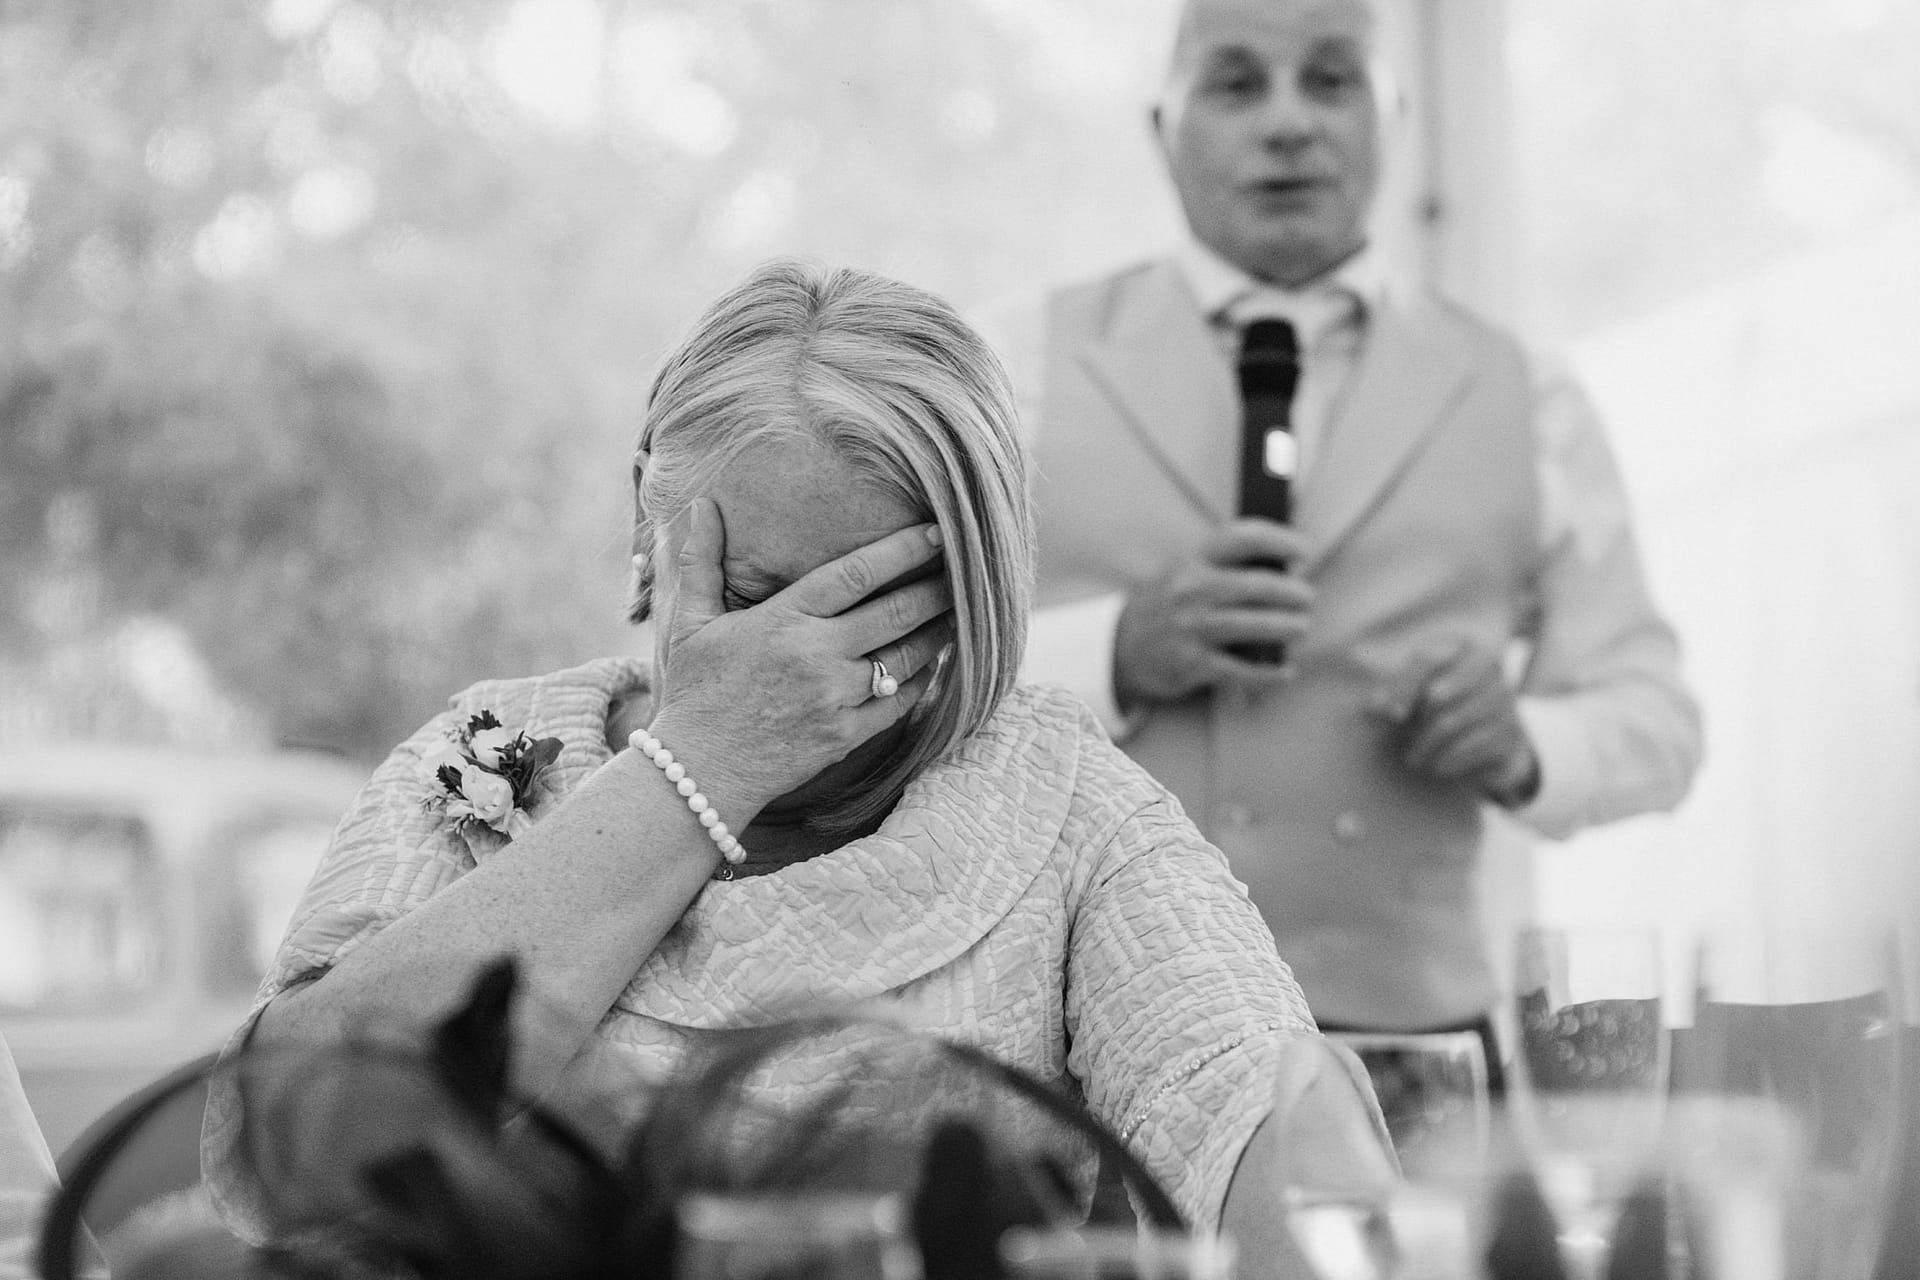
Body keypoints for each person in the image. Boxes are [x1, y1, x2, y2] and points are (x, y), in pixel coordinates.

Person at [202, 260, 1390, 1270]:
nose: (811, 673)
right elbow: (276, 1157)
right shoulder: (483, 757)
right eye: (759, 598)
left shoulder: (1065, 808)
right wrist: (707, 759)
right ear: (642, 517)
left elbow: (1257, 1106)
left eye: (880, 618)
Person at [993, 0, 1702, 1073]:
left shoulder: (1529, 394)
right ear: (1161, 127)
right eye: (1236, 83)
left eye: (1330, 79)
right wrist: (1114, 652)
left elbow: (1658, 721)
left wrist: (1524, 742)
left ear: (1394, 115)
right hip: (1084, 1039)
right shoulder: (1016, 371)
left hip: (1416, 1055)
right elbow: (902, 678)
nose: (1287, 123)